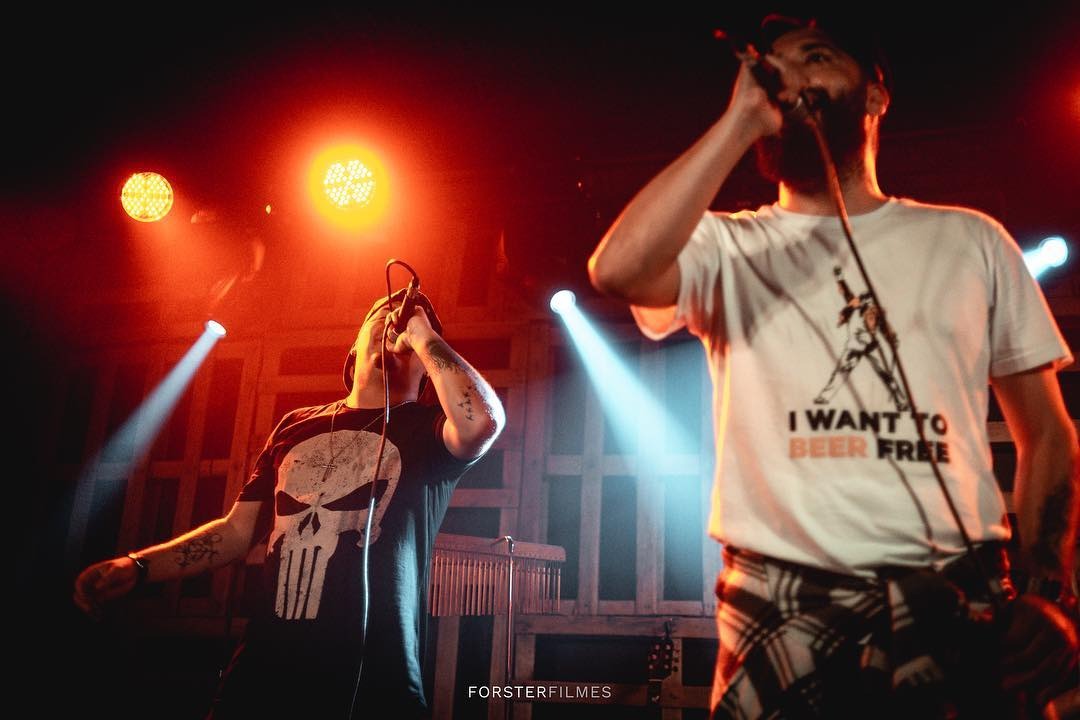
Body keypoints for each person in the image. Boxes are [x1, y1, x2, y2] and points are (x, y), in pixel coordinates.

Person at [589, 14, 1078, 719]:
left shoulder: (970, 239)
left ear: (876, 97)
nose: (792, 74)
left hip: (954, 590)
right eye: (777, 64)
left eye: (816, 57)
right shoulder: (726, 245)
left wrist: (1047, 589)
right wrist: (739, 122)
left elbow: (1049, 433)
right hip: (782, 596)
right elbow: (619, 268)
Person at [74, 289, 505, 718]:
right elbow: (235, 532)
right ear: (352, 349)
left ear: (428, 365)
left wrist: (422, 334)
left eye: (408, 320)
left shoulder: (429, 430)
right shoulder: (295, 427)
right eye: (381, 313)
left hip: (377, 682)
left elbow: (482, 421)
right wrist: (140, 566)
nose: (394, 321)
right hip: (264, 675)